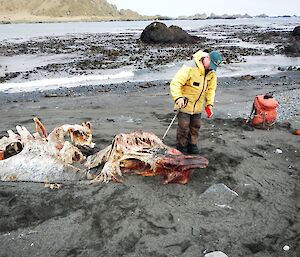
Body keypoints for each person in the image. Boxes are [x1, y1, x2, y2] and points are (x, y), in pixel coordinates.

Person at [170, 50, 222, 154]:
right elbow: (175, 83)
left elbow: (211, 90)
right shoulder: (190, 67)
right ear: (207, 58)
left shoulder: (212, 74)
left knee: (196, 126)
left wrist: (209, 105)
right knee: (184, 126)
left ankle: (192, 144)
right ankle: (182, 146)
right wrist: (178, 98)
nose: (211, 68)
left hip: (197, 107)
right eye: (210, 64)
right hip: (184, 104)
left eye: (213, 67)